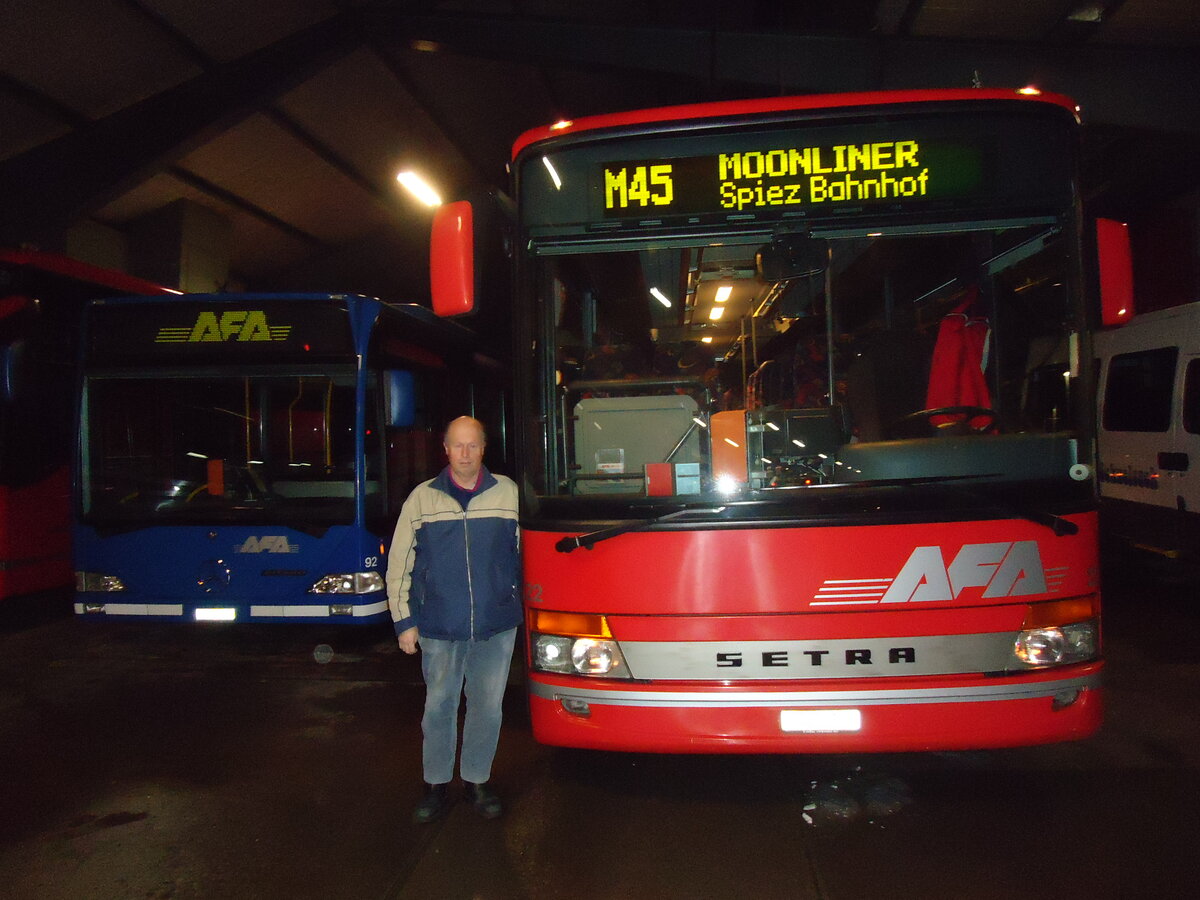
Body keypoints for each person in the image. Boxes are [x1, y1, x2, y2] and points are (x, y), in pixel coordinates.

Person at [385, 416, 521, 823]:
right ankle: (436, 785)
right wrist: (403, 621)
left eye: (473, 445)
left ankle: (477, 781)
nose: (465, 454)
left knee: (487, 708)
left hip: (495, 626)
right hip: (438, 625)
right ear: (444, 449)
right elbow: (399, 564)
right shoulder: (422, 500)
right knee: (439, 706)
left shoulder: (509, 494)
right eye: (457, 446)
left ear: (484, 449)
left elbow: (526, 556)